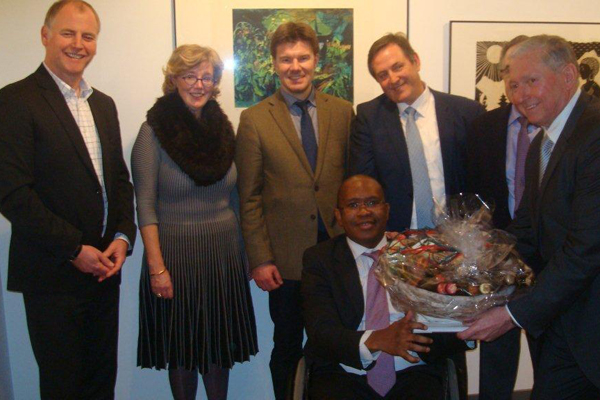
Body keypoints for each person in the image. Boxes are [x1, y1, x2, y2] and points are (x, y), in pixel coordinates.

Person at [0, 1, 136, 398]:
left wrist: (123, 237)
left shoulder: (103, 104)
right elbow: (12, 192)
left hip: (104, 272)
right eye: (68, 33)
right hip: (52, 274)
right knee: (63, 388)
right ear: (45, 36)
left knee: (101, 384)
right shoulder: (15, 101)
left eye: (88, 36)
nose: (78, 44)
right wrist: (74, 248)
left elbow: (119, 181)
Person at [458, 35, 600, 400]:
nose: (520, 96)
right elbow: (526, 228)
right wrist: (468, 263)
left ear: (568, 76)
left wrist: (511, 315)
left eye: (531, 81)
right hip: (561, 319)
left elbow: (585, 250)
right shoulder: (542, 142)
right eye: (513, 85)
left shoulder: (595, 135)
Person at [348, 32, 484, 399]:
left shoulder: (465, 112)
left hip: (455, 248)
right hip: (398, 249)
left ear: (416, 61)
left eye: (398, 67)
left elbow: (480, 181)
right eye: (382, 75)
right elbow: (362, 182)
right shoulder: (369, 116)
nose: (392, 79)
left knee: (452, 341)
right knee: (409, 336)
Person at [131, 44, 258, 400]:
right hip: (175, 258)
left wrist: (247, 255)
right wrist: (156, 268)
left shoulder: (222, 129)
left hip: (223, 256)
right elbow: (145, 205)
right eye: (190, 76)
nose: (199, 85)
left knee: (219, 348)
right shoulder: (152, 132)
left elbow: (235, 197)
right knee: (182, 350)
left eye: (206, 77)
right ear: (173, 79)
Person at [235, 21, 354, 399]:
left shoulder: (343, 112)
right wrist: (260, 258)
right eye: (286, 59)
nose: (295, 66)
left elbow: (351, 183)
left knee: (337, 343)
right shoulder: (254, 119)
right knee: (286, 345)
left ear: (316, 60)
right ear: (274, 64)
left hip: (338, 254)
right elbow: (249, 197)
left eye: (303, 57)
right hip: (285, 262)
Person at [302, 175, 469, 400]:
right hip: (344, 372)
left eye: (372, 202)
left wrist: (467, 324)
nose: (364, 212)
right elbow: (320, 331)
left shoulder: (418, 254)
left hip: (413, 371)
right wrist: (377, 340)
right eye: (353, 205)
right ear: (338, 216)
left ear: (387, 210)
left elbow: (442, 324)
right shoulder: (320, 260)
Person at [466, 35, 541, 400]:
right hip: (498, 262)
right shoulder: (483, 127)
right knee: (496, 363)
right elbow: (473, 193)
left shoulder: (562, 130)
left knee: (552, 360)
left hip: (555, 261)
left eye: (528, 76)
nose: (518, 84)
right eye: (511, 74)